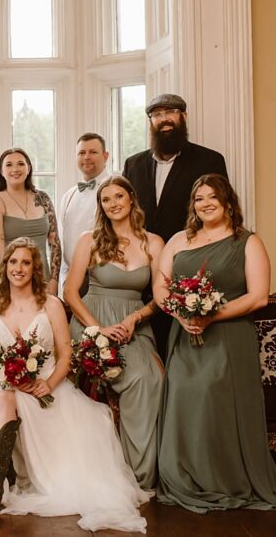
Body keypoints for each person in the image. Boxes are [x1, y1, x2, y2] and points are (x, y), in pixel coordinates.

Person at [0, 238, 150, 533]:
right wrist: (11, 378)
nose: (19, 268)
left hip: (46, 387)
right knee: (1, 399)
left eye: (26, 263)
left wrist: (47, 383)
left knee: (10, 401)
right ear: (4, 268)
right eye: (13, 262)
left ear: (35, 268)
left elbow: (66, 354)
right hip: (3, 384)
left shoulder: (51, 305)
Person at [153, 174, 276, 513]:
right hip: (185, 334)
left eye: (212, 196)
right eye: (199, 198)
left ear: (228, 201)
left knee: (212, 396)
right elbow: (161, 286)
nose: (205, 203)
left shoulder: (247, 242)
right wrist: (180, 313)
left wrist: (210, 317)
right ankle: (184, 475)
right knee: (186, 395)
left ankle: (224, 479)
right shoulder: (178, 240)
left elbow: (259, 297)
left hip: (229, 337)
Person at [64, 175, 165, 489]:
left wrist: (136, 317)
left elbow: (161, 297)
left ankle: (137, 473)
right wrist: (98, 329)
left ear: (131, 198)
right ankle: (105, 468)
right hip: (91, 320)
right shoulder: (89, 240)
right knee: (118, 372)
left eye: (118, 197)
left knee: (152, 378)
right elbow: (70, 292)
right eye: (105, 200)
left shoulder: (154, 242)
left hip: (134, 323)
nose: (112, 204)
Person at [122, 94, 228, 245]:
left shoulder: (210, 161)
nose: (164, 119)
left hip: (191, 252)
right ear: (150, 122)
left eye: (171, 111)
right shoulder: (132, 165)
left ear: (184, 116)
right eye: (157, 114)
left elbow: (221, 213)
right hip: (142, 254)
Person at [0, 147, 60, 296]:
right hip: (9, 277)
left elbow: (55, 243)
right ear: (1, 171)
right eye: (9, 165)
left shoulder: (43, 198)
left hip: (41, 276)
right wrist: (13, 278)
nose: (15, 169)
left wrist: (54, 280)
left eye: (21, 164)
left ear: (28, 168)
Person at [56, 133, 110, 300]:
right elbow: (64, 242)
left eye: (93, 152)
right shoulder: (69, 195)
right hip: (73, 281)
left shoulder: (115, 189)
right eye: (81, 153)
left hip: (104, 280)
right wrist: (64, 281)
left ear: (105, 156)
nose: (87, 157)